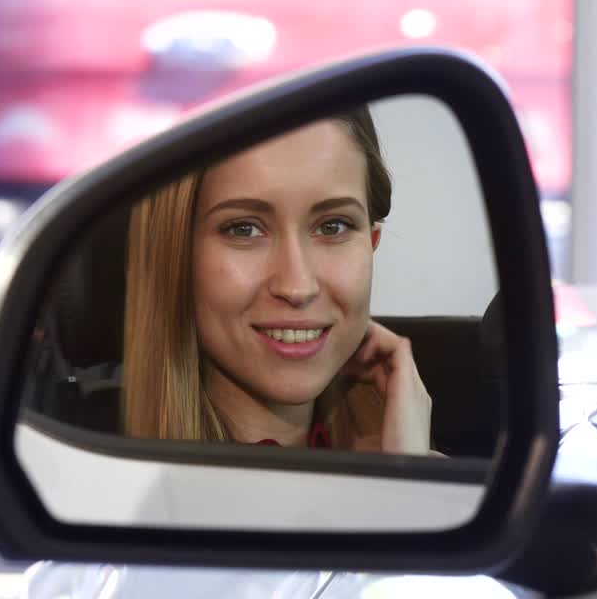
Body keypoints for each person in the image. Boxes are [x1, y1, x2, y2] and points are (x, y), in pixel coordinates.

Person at [121, 106, 436, 455]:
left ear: (371, 242)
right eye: (244, 229)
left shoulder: (443, 487)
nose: (297, 287)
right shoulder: (100, 492)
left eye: (333, 226)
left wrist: (408, 478)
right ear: (177, 254)